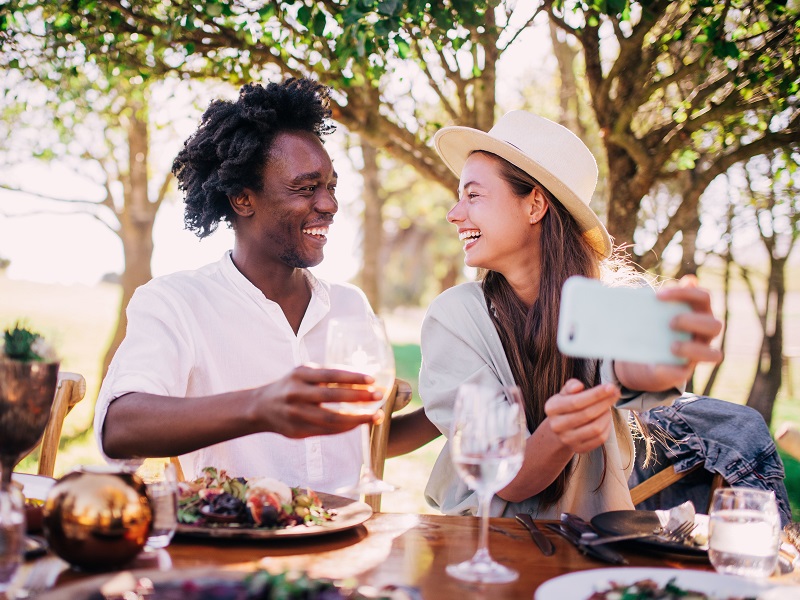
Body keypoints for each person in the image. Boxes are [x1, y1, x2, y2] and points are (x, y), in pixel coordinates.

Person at [420, 110, 723, 519]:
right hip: (480, 550)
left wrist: (661, 356)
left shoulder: (611, 300)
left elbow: (632, 372)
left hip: (588, 555)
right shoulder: (455, 317)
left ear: (535, 205)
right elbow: (504, 477)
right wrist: (559, 433)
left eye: (473, 195)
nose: (454, 214)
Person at [93, 78, 387, 493]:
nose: (329, 205)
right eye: (305, 188)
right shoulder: (176, 302)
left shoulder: (349, 305)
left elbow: (359, 436)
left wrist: (450, 411)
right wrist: (258, 406)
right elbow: (119, 428)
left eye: (330, 187)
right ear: (243, 200)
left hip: (345, 543)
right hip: (233, 545)